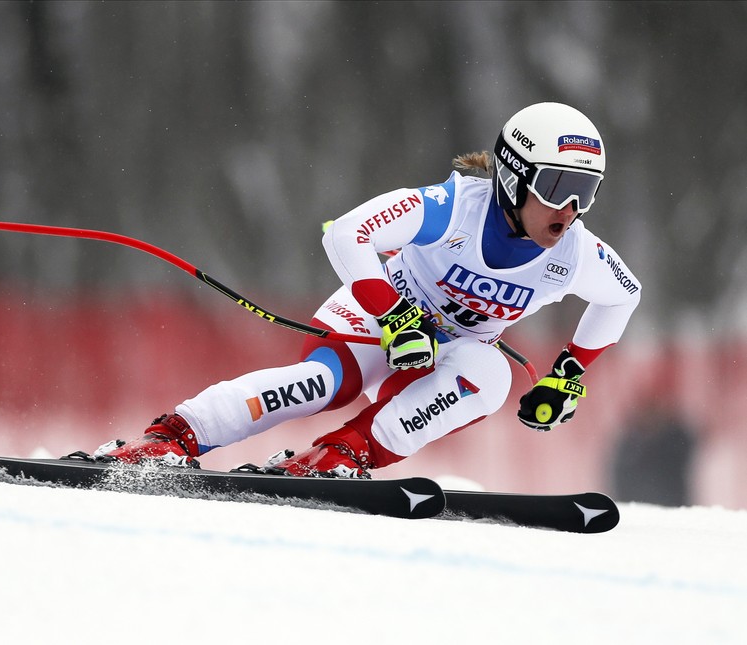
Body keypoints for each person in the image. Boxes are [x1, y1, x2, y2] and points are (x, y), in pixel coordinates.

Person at [90, 102, 642, 478]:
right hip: (376, 321)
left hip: (447, 349)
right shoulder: (451, 210)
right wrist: (397, 317)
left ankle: (340, 454)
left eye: (585, 193)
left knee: (491, 376)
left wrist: (568, 375)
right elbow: (347, 233)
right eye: (557, 188)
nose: (570, 210)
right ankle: (173, 438)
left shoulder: (574, 254)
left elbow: (623, 295)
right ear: (514, 176)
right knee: (316, 387)